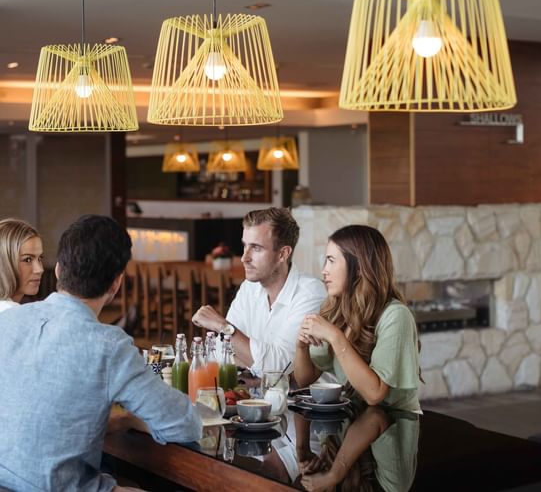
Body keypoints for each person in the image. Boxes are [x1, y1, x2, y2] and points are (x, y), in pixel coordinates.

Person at [0, 215, 202, 492]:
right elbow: (186, 425)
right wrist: (129, 419)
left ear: (58, 270)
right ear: (115, 284)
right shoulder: (109, 346)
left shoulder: (8, 321)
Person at [294, 225, 422, 413]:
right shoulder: (337, 311)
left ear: (360, 267)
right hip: (354, 420)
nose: (324, 271)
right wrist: (301, 347)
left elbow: (375, 394)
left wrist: (335, 337)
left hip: (393, 427)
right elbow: (305, 379)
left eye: (331, 261)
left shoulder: (395, 315)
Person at [192, 207, 326, 376]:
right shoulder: (249, 287)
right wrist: (256, 364)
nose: (244, 258)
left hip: (302, 400)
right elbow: (220, 352)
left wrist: (223, 326)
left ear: (283, 254)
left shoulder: (310, 293)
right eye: (245, 246)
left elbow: (281, 367)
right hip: (254, 397)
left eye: (256, 248)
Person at [0, 218, 44, 312]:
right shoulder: (10, 313)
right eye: (27, 260)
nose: (39, 269)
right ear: (4, 263)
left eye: (40, 258)